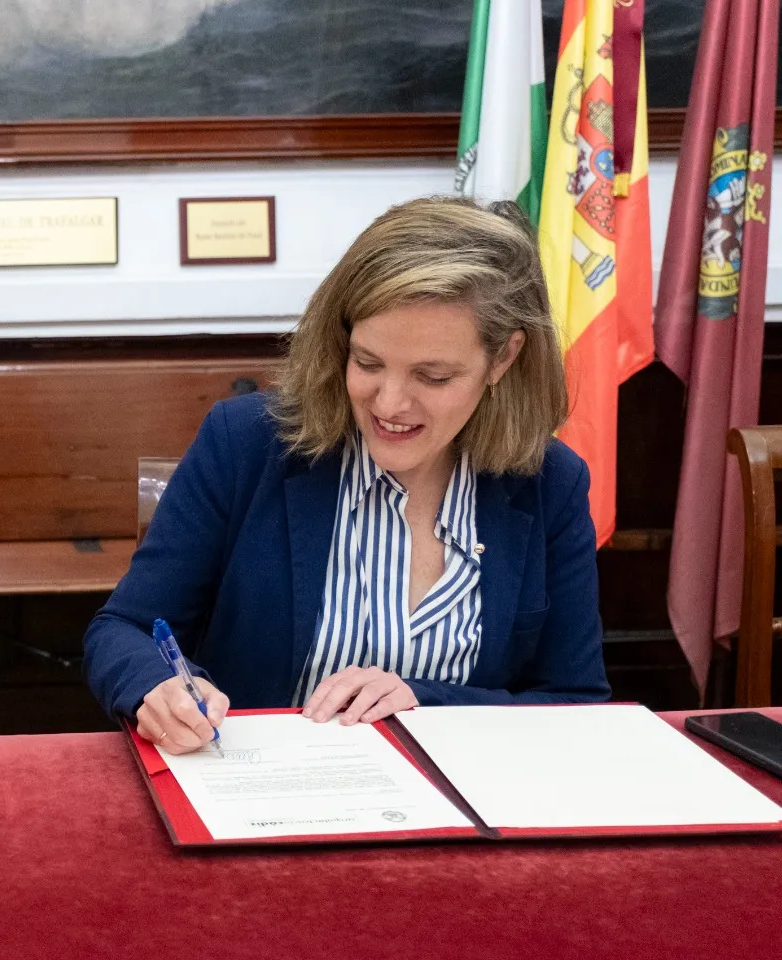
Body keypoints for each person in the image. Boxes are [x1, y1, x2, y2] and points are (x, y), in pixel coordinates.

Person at [84, 196, 609, 755]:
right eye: (368, 363)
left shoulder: (549, 481)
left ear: (503, 358)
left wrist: (424, 701)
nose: (389, 403)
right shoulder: (248, 443)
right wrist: (157, 687)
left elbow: (576, 702)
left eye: (432, 376)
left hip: (454, 810)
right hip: (258, 794)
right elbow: (125, 629)